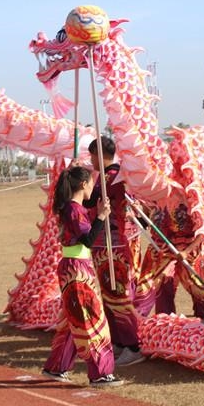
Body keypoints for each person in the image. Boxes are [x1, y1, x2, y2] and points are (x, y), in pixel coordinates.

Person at [42, 166, 124, 387]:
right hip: (76, 268)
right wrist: (100, 217)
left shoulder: (73, 207)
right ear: (82, 185)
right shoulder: (73, 210)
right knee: (91, 321)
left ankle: (57, 366)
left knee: (74, 320)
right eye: (90, 183)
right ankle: (100, 373)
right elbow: (87, 239)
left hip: (77, 265)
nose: (92, 187)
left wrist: (99, 214)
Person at [83, 136, 145, 367]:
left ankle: (133, 345)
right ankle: (119, 341)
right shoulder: (105, 177)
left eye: (92, 156)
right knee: (109, 295)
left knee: (118, 295)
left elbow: (89, 201)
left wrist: (77, 180)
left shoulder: (113, 177)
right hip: (102, 241)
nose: (91, 160)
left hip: (114, 242)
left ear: (99, 155)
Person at [134, 192, 204, 324]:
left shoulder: (191, 198)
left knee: (196, 285)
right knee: (161, 284)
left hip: (188, 249)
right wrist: (134, 214)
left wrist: (187, 251)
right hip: (161, 249)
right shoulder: (151, 195)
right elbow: (147, 222)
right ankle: (165, 320)